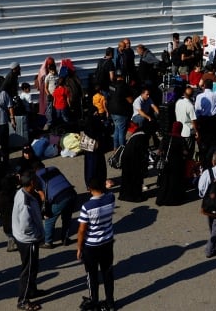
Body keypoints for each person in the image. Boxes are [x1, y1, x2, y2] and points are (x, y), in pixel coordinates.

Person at [77, 178, 116, 311]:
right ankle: (110, 303)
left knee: (92, 275)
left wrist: (79, 247)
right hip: (107, 242)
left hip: (91, 246)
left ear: (89, 189)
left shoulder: (86, 207)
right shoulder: (111, 199)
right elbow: (109, 192)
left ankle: (94, 301)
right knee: (107, 273)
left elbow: (82, 230)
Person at [12, 170, 45, 311]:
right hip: (28, 240)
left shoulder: (21, 192)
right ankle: (23, 300)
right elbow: (26, 226)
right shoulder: (25, 203)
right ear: (31, 183)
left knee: (33, 266)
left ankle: (32, 290)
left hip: (22, 237)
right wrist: (38, 234)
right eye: (35, 181)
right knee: (28, 269)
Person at [34, 162, 77, 249]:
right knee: (67, 217)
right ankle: (65, 239)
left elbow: (43, 196)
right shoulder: (54, 168)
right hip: (71, 193)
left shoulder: (37, 177)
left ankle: (48, 242)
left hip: (59, 198)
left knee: (49, 219)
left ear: (34, 170)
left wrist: (45, 209)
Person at [155, 121, 189, 206]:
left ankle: (162, 199)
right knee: (174, 183)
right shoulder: (181, 139)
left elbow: (159, 151)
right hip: (176, 164)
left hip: (165, 164)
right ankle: (173, 200)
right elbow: (185, 153)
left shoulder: (166, 137)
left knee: (165, 182)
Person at [118, 127, 149, 203]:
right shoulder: (142, 137)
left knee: (127, 179)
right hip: (135, 161)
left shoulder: (135, 134)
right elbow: (143, 153)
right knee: (135, 179)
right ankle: (135, 196)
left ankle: (126, 195)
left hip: (127, 160)